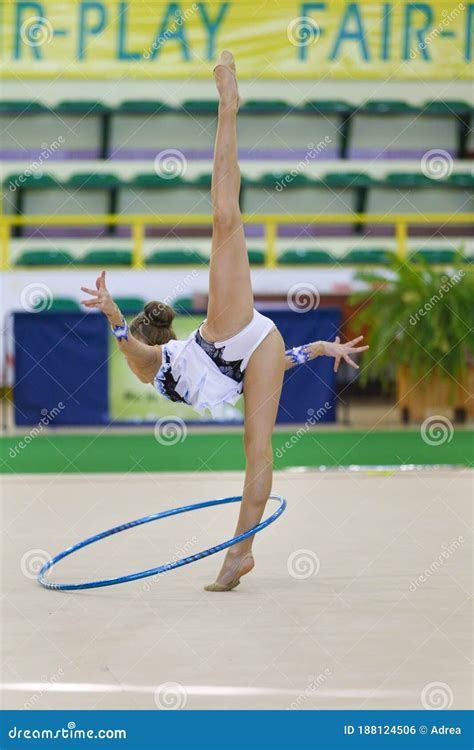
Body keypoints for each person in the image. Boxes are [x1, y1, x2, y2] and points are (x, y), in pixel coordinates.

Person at [81, 51, 368, 591]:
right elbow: (269, 364)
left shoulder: (160, 360)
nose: (140, 347)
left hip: (228, 334)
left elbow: (131, 350)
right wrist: (319, 351)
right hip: (254, 350)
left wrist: (117, 316)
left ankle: (228, 107)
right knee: (257, 449)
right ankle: (240, 554)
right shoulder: (157, 368)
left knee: (223, 217)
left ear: (156, 339)